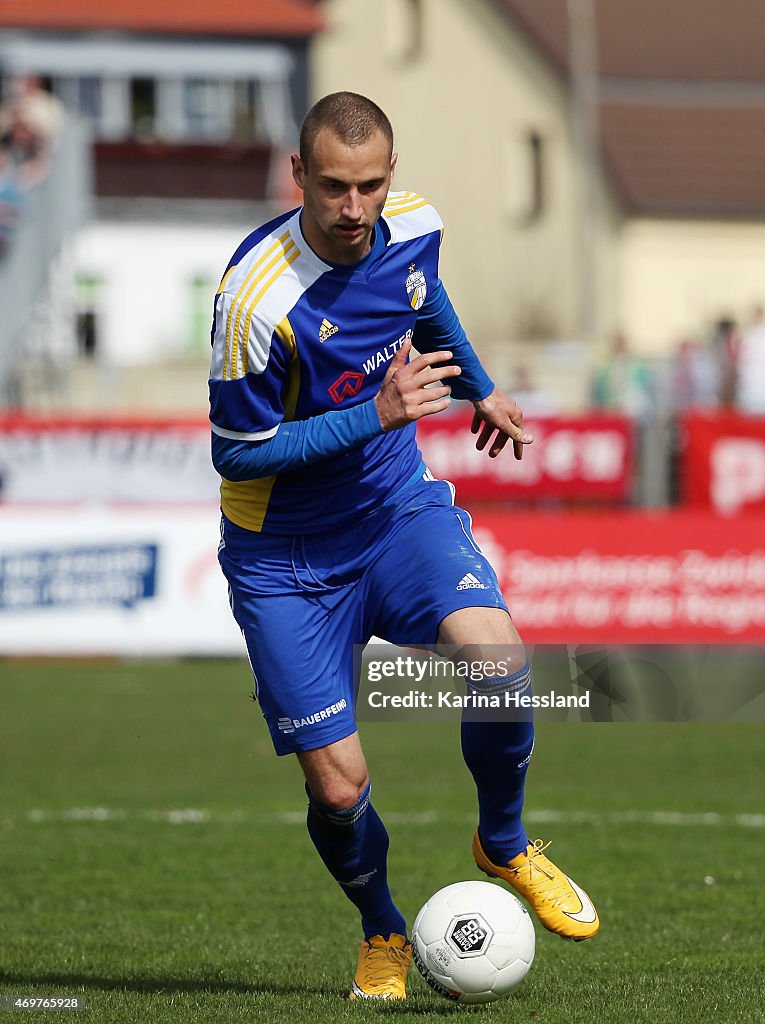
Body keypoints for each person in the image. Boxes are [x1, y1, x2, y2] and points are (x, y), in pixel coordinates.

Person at [209, 92, 599, 1001]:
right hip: (284, 559)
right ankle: (383, 928)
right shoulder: (254, 297)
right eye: (335, 188)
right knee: (339, 790)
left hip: (393, 512)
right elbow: (237, 451)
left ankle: (502, 842)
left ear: (391, 176)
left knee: (500, 660)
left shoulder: (411, 225)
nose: (354, 210)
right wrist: (372, 413)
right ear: (298, 174)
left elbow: (428, 303)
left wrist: (480, 388)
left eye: (371, 186)